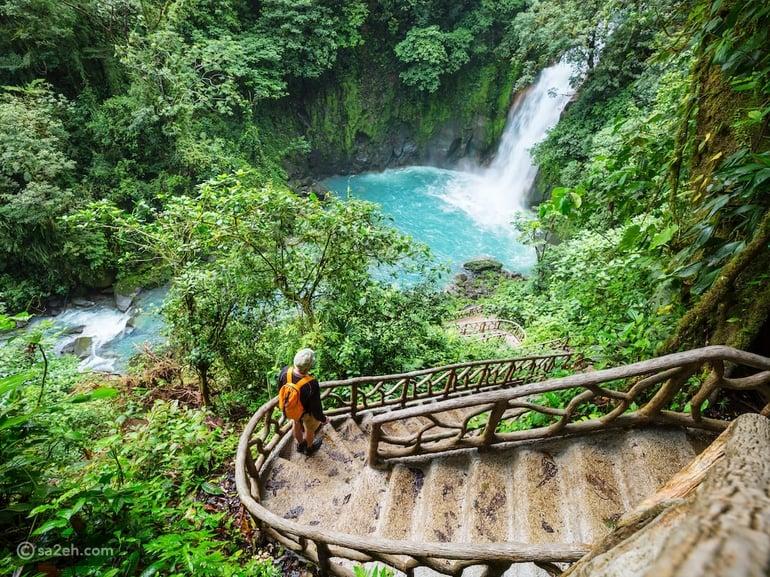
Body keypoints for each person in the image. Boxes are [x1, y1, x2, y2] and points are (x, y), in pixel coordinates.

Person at [277, 348, 327, 455]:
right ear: (309, 367)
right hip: (306, 413)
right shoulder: (311, 383)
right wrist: (323, 419)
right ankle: (309, 448)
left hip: (292, 410)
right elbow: (316, 407)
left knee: (296, 423)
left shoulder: (285, 372)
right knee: (309, 430)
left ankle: (300, 445)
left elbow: (280, 389)